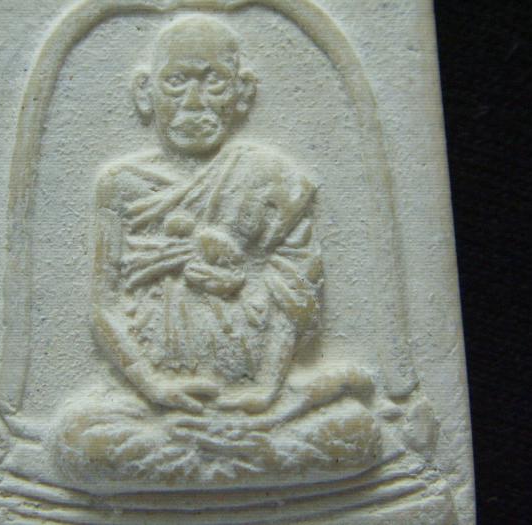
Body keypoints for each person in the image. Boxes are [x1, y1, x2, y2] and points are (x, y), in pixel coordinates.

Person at [52, 15, 380, 485]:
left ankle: (205, 460)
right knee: (76, 439)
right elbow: (104, 306)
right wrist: (154, 387)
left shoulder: (273, 179)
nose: (193, 102)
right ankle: (246, 461)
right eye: (176, 82)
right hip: (153, 401)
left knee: (359, 433)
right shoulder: (120, 185)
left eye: (214, 84)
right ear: (145, 91)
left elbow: (295, 294)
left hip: (259, 401)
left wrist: (265, 390)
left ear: (243, 92)